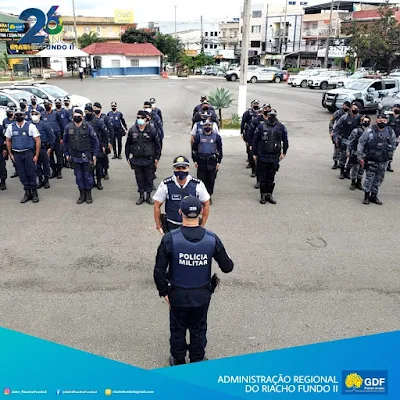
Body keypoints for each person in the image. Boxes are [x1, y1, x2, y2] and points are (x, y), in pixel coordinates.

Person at [153, 195, 234, 365]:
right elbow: (227, 267)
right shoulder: (212, 238)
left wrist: (164, 292)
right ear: (201, 212)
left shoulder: (170, 238)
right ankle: (197, 359)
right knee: (198, 328)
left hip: (177, 294)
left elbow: (159, 270)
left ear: (180, 212)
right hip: (201, 295)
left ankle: (178, 359)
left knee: (177, 328)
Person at [153, 156, 210, 233]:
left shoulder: (198, 184)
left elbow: (206, 204)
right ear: (174, 168)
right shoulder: (166, 184)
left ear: (188, 168)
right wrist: (158, 224)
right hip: (172, 225)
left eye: (183, 168)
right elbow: (157, 205)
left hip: (192, 225)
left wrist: (202, 225)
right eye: (178, 168)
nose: (181, 170)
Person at [357, 113, 397, 205]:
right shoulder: (369, 131)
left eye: (384, 120)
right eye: (380, 120)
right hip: (371, 159)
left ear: (387, 121)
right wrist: (360, 156)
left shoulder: (390, 131)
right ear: (376, 120)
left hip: (383, 160)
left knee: (379, 178)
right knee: (369, 178)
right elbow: (361, 143)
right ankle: (366, 196)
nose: (382, 122)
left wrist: (390, 154)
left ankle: (374, 196)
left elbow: (393, 143)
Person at [252, 109, 289, 205]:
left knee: (271, 176)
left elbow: (285, 140)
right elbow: (255, 140)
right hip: (263, 156)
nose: (272, 117)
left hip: (274, 156)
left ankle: (269, 194)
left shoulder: (280, 127)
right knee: (263, 176)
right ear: (267, 116)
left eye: (273, 115)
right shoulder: (261, 127)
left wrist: (284, 152)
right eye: (270, 115)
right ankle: (263, 195)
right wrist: (254, 153)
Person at [63, 109, 100, 204]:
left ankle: (88, 194)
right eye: (75, 116)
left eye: (78, 116)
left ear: (82, 117)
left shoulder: (88, 127)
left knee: (88, 176)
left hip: (86, 156)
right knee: (78, 176)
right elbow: (65, 142)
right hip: (75, 156)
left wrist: (95, 155)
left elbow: (95, 141)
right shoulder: (68, 127)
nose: (76, 118)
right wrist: (66, 154)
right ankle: (82, 194)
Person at [5, 108, 41, 203]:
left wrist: (36, 155)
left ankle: (34, 193)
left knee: (31, 172)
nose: (18, 116)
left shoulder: (30, 126)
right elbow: (8, 140)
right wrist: (10, 153)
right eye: (16, 115)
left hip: (28, 153)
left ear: (24, 116)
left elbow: (38, 140)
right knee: (22, 173)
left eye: (20, 114)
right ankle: (27, 192)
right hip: (17, 154)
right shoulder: (11, 127)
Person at [125, 110, 161, 205]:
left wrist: (157, 158)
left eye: (141, 118)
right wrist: (127, 157)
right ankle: (141, 196)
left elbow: (157, 145)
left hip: (149, 159)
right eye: (138, 118)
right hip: (137, 159)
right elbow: (128, 144)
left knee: (149, 178)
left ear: (146, 119)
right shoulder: (132, 130)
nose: (139, 120)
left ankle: (148, 196)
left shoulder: (152, 130)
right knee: (139, 178)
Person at [192, 120, 223, 204]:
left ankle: (208, 196)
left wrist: (218, 162)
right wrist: (195, 161)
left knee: (211, 180)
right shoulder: (198, 136)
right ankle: (202, 197)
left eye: (209, 125)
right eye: (205, 125)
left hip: (212, 162)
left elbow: (220, 150)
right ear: (203, 127)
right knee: (201, 181)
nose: (207, 127)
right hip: (201, 162)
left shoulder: (217, 137)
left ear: (212, 127)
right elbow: (194, 149)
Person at [332, 102, 361, 180]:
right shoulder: (344, 117)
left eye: (357, 109)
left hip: (354, 142)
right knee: (343, 157)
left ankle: (347, 172)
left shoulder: (360, 118)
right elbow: (337, 128)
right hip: (345, 139)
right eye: (354, 108)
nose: (356, 110)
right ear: (351, 108)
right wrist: (335, 138)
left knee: (351, 158)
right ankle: (342, 172)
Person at [85, 104, 110, 190]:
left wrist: (105, 145)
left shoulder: (98, 121)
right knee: (90, 166)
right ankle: (92, 182)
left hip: (97, 146)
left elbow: (106, 133)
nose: (86, 113)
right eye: (85, 112)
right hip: (87, 147)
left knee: (99, 166)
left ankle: (99, 182)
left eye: (88, 111)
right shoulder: (83, 121)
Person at [30, 110, 55, 189]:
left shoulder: (44, 124)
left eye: (36, 114)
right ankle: (40, 180)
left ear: (40, 115)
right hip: (33, 148)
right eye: (32, 114)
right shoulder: (29, 125)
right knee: (36, 165)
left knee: (45, 164)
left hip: (43, 147)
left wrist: (51, 147)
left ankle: (46, 180)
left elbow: (51, 136)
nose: (34, 115)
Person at [247, 104, 271, 188]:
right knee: (259, 164)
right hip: (258, 145)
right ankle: (259, 181)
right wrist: (250, 144)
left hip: (269, 146)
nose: (266, 110)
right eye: (265, 108)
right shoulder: (257, 120)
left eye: (268, 108)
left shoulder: (273, 120)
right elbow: (250, 132)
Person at [42, 99, 64, 179]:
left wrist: (62, 137)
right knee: (49, 155)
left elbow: (61, 125)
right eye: (45, 105)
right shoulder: (42, 114)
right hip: (48, 138)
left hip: (57, 136)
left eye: (48, 105)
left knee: (59, 154)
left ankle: (59, 171)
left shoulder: (56, 114)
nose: (46, 106)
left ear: (51, 105)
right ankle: (54, 170)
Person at [346, 115, 370, 191]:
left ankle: (359, 182)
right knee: (355, 168)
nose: (366, 123)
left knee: (362, 168)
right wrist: (348, 150)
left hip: (365, 153)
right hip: (356, 151)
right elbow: (350, 141)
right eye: (365, 121)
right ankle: (353, 182)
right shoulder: (356, 131)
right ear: (362, 122)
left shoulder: (370, 131)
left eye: (368, 121)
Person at [93, 102, 113, 180]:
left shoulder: (105, 118)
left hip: (104, 141)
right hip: (95, 141)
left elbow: (111, 131)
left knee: (104, 158)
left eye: (97, 108)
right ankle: (99, 172)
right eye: (94, 108)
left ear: (100, 109)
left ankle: (106, 171)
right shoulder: (92, 118)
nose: (95, 110)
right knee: (96, 157)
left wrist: (110, 142)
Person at [329, 101, 351, 169]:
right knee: (337, 148)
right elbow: (331, 121)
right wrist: (331, 131)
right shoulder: (338, 112)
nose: (345, 107)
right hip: (338, 133)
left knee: (344, 150)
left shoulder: (350, 114)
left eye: (347, 106)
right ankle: (335, 162)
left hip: (346, 134)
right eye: (344, 105)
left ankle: (342, 163)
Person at [241, 100, 260, 173]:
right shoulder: (248, 112)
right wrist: (242, 132)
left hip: (258, 133)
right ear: (251, 105)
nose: (256, 105)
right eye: (254, 104)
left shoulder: (260, 112)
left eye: (257, 104)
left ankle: (255, 163)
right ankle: (250, 161)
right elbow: (243, 122)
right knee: (249, 147)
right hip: (249, 131)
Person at [2, 108, 18, 179]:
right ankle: (17, 170)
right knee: (11, 157)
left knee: (17, 156)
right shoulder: (5, 120)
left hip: (15, 141)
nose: (8, 113)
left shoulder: (16, 120)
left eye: (10, 112)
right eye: (7, 112)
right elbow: (3, 130)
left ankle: (20, 170)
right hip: (8, 141)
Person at [386, 103, 400, 172]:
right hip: (388, 136)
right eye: (395, 108)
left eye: (398, 108)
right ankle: (383, 164)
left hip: (396, 137)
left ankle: (388, 165)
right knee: (385, 149)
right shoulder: (389, 117)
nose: (396, 109)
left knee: (392, 151)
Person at [0, 120, 6, 190]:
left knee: (1, 168)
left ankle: (3, 182)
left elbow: (5, 140)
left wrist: (5, 149)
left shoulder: (1, 128)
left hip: (0, 150)